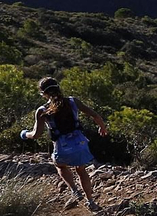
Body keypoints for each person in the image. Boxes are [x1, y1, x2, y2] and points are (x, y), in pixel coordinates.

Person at [22, 77, 108, 208]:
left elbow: (36, 134)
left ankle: (74, 190)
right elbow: (95, 115)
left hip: (62, 147)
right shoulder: (73, 102)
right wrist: (102, 127)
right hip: (80, 144)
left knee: (60, 165)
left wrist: (25, 134)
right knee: (81, 170)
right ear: (58, 88)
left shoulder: (42, 110)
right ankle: (90, 201)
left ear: (43, 94)